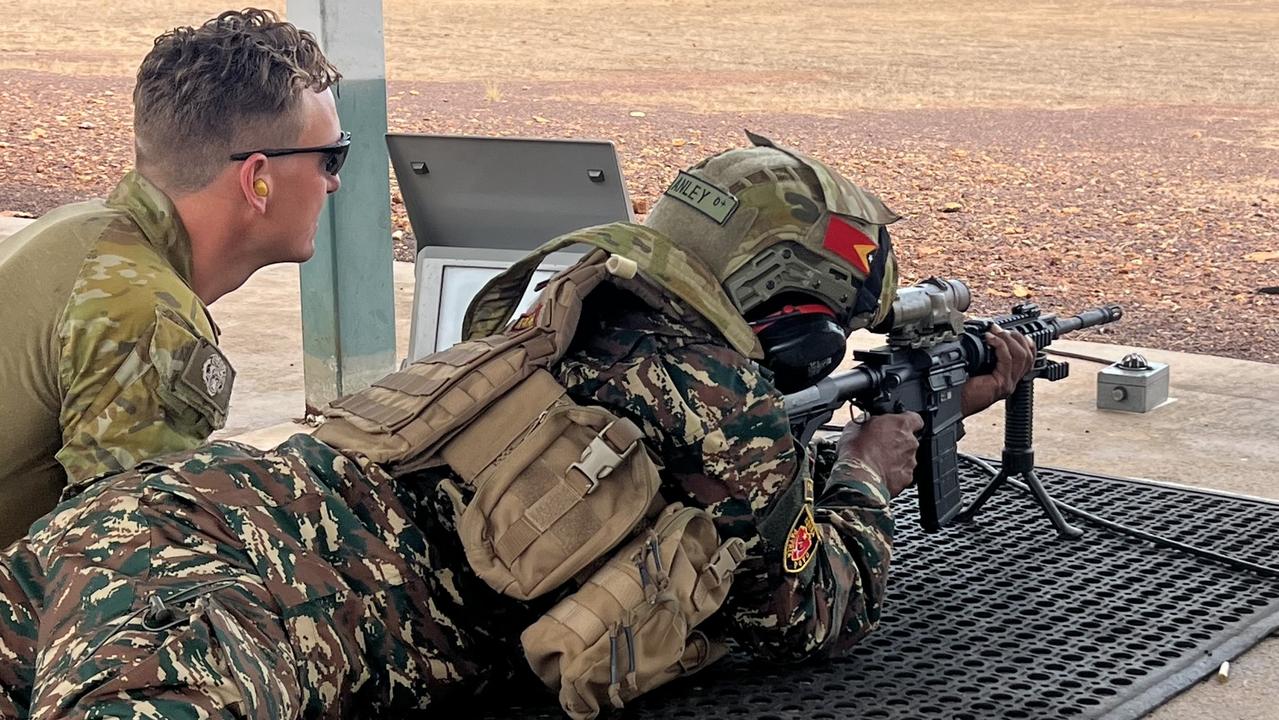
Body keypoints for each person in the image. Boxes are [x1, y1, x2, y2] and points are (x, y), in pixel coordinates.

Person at [0, 135, 1034, 718]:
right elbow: (814, 611)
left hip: (150, 523)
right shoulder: (729, 406)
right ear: (792, 303)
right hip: (245, 603)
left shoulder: (567, 312)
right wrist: (862, 471)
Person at [0, 8, 347, 545]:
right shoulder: (145, 315)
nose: (333, 185)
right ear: (258, 180)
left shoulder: (80, 235)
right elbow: (126, 567)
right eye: (331, 158)